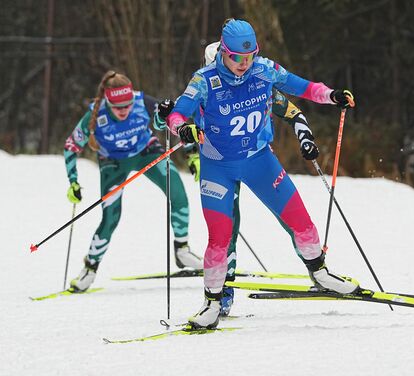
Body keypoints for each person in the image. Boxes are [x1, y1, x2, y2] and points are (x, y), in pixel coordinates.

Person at [159, 19, 356, 329]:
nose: (243, 64)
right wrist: (182, 127)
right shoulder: (205, 80)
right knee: (220, 239)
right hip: (218, 167)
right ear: (223, 52)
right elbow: (177, 113)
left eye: (249, 57)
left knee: (301, 222)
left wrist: (332, 96)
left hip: (260, 161)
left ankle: (321, 274)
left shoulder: (264, 69)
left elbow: (302, 87)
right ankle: (211, 303)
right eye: (237, 57)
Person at [204, 41, 320, 317]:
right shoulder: (205, 88)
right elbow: (178, 121)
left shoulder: (255, 82)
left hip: (257, 161)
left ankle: (316, 270)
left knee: (290, 218)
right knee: (226, 230)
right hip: (219, 167)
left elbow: (291, 111)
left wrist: (306, 138)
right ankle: (223, 292)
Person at [64, 70, 203, 292]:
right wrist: (73, 182)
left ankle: (182, 250)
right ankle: (89, 269)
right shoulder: (95, 114)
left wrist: (192, 154)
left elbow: (173, 120)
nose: (124, 111)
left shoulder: (141, 101)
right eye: (118, 107)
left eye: (127, 105)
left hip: (146, 151)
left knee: (177, 191)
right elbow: (71, 146)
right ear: (108, 101)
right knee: (111, 217)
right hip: (113, 162)